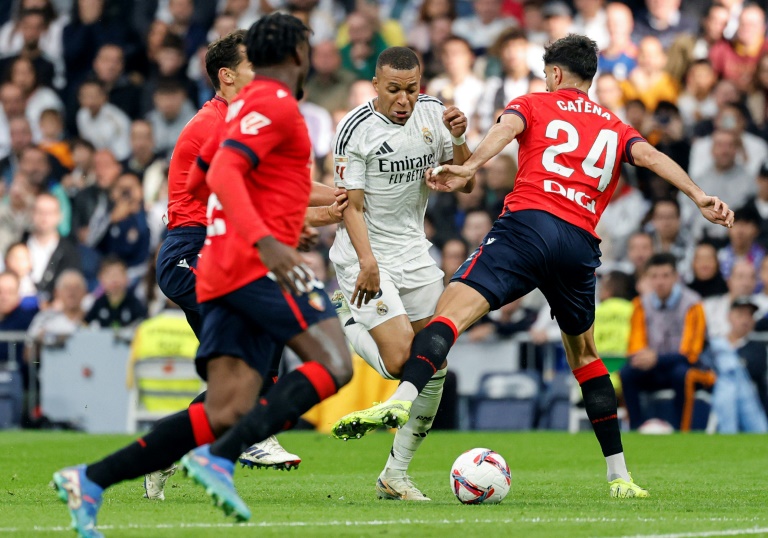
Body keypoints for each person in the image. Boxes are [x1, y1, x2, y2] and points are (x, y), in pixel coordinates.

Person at [333, 34, 734, 498]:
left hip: (528, 226)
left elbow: (504, 132)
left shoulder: (535, 103)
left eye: (547, 73)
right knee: (584, 355)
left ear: (557, 74)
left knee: (450, 314)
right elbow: (650, 157)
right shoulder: (614, 124)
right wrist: (698, 195)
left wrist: (470, 166)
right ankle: (619, 475)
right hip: (580, 244)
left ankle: (403, 399)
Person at [52, 14, 353, 534]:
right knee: (333, 362)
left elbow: (205, 175)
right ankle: (225, 454)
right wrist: (267, 238)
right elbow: (220, 176)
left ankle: (91, 479)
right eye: (308, 48)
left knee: (227, 404)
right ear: (296, 55)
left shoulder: (238, 114)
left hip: (223, 257)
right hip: (241, 259)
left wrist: (289, 219)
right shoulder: (272, 104)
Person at [328, 46, 471, 500]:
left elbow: (464, 180)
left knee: (434, 361)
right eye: (393, 90)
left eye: (411, 88)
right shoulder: (354, 129)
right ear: (376, 85)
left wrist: (461, 142)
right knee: (396, 362)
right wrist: (367, 262)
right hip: (363, 254)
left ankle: (395, 474)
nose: (404, 99)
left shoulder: (434, 114)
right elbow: (349, 204)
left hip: (413, 251)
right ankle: (347, 316)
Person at [621, 253, 709, 431]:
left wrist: (656, 359)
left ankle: (681, 430)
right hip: (654, 368)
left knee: (682, 374)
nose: (660, 281)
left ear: (676, 277)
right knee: (627, 374)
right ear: (647, 278)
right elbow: (635, 346)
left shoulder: (693, 304)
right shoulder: (640, 305)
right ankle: (636, 428)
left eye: (665, 275)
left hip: (690, 368)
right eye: (654, 276)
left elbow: (691, 353)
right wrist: (643, 358)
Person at [705, 296, 768, 433]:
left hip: (750, 400)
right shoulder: (715, 344)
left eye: (749, 316)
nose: (745, 320)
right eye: (740, 314)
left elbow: (756, 369)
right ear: (729, 316)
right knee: (726, 384)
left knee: (732, 380)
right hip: (716, 394)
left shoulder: (758, 347)